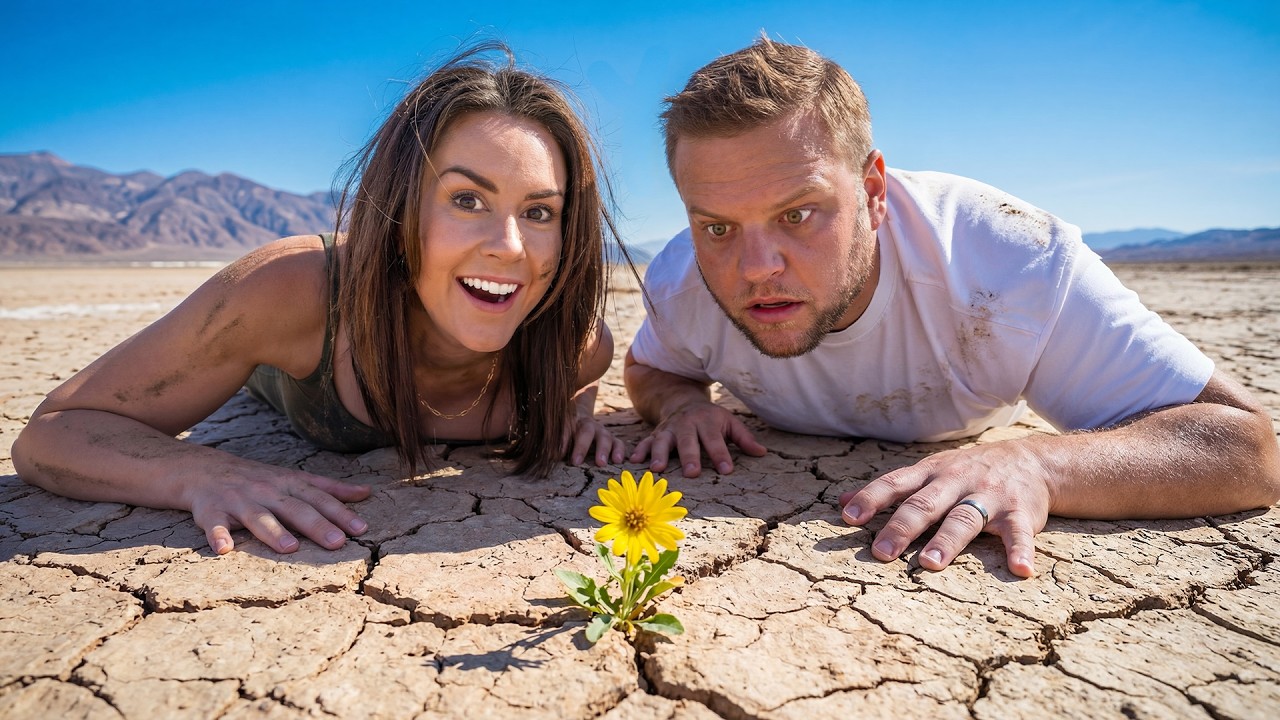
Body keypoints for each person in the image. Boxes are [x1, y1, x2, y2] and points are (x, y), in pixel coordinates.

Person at [624, 36, 1280, 578]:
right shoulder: (684, 280)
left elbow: (1244, 449)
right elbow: (653, 367)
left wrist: (1035, 463)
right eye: (717, 226)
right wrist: (681, 406)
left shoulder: (1008, 263)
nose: (754, 267)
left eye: (796, 214)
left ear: (873, 192)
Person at [13, 42, 632, 556]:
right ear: (398, 207)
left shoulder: (574, 347)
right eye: (467, 200)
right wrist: (203, 472)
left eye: (539, 211)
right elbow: (53, 434)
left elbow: (581, 380)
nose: (509, 247)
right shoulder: (294, 289)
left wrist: (573, 411)